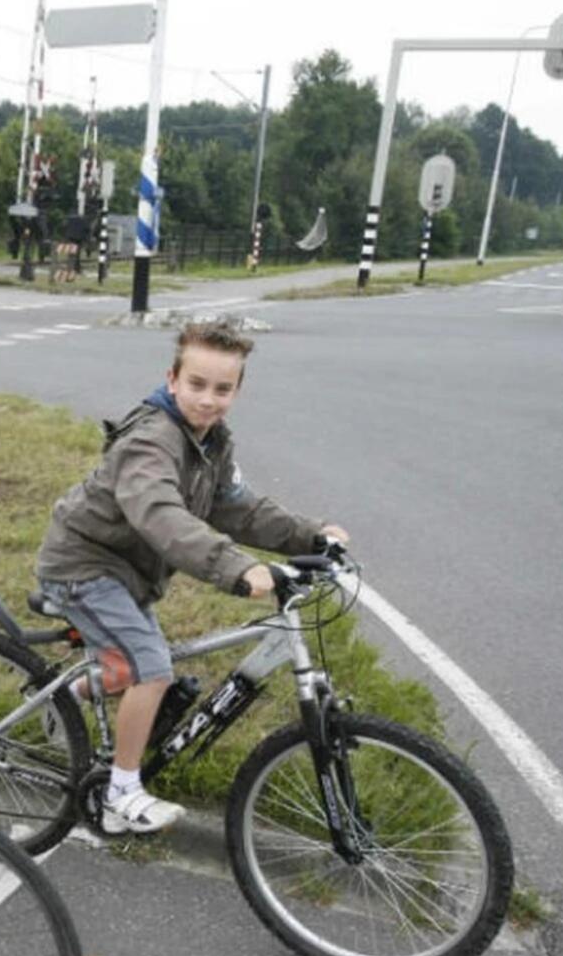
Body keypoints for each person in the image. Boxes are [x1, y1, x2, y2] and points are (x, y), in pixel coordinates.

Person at [35, 321, 349, 836]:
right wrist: (236, 567)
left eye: (222, 389)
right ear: (172, 379)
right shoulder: (151, 441)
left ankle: (67, 699)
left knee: (132, 663)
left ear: (237, 391)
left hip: (128, 573)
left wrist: (310, 536)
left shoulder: (211, 441)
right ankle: (121, 794)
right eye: (197, 384)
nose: (208, 399)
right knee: (152, 669)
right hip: (83, 567)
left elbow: (239, 509)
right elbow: (159, 514)